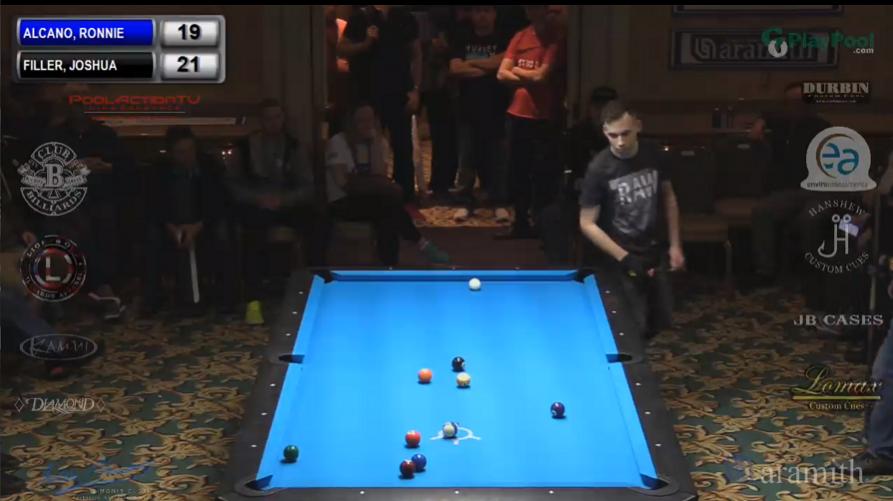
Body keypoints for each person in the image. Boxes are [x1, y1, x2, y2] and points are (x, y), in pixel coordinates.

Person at [578, 100, 685, 355]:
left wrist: (675, 245)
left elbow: (669, 197)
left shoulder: (654, 153)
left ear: (638, 126)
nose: (620, 142)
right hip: (620, 253)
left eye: (625, 133)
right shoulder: (599, 168)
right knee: (631, 326)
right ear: (605, 132)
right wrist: (624, 258)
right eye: (612, 135)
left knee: (661, 319)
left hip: (654, 248)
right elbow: (586, 223)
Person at [229, 99, 327, 325]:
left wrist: (284, 200)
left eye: (277, 117)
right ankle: (253, 300)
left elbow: (307, 186)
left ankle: (316, 289)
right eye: (268, 118)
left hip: (287, 204)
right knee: (251, 233)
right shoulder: (244, 148)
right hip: (256, 205)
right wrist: (258, 198)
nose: (273, 122)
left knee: (317, 222)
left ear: (283, 119)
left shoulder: (294, 147)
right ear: (260, 121)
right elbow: (233, 184)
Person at [325, 103, 450, 266]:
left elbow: (380, 176)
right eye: (361, 121)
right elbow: (342, 183)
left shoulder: (379, 143)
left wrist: (374, 145)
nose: (366, 125)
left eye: (370, 120)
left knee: (387, 214)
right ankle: (419, 245)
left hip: (371, 199)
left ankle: (390, 264)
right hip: (342, 201)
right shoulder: (338, 142)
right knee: (389, 206)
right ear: (351, 123)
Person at [143, 126, 236, 316]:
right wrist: (171, 227)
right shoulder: (159, 170)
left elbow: (220, 202)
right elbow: (153, 204)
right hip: (171, 223)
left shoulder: (210, 167)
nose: (187, 156)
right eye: (181, 152)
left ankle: (226, 296)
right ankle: (152, 298)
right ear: (171, 153)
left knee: (223, 233)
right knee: (152, 237)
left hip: (204, 222)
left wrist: (198, 226)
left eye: (190, 150)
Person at [747, 82, 831, 287]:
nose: (795, 106)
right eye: (790, 102)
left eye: (799, 101)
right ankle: (765, 271)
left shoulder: (822, 127)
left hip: (818, 191)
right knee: (761, 211)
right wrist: (760, 121)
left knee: (810, 219)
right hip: (789, 191)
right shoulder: (780, 123)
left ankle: (813, 273)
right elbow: (766, 116)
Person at [339, 5, 422, 203]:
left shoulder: (405, 17)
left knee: (402, 145)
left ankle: (404, 194)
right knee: (367, 144)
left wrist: (415, 89)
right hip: (367, 92)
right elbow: (342, 49)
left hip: (399, 90)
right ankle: (369, 192)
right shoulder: (360, 17)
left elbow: (416, 54)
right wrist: (365, 44)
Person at [496, 5, 565, 239]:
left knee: (543, 172)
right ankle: (520, 222)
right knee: (517, 171)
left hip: (545, 116)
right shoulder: (521, 36)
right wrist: (527, 76)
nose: (535, 12)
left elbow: (541, 76)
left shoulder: (556, 38)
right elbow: (501, 73)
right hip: (517, 114)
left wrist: (517, 71)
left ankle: (542, 223)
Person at [539, 86, 618, 263]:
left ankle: (599, 269)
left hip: (615, 204)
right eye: (597, 106)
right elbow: (566, 170)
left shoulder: (624, 136)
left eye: (607, 107)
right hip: (580, 200)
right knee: (551, 216)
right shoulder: (577, 135)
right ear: (590, 108)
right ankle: (561, 270)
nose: (601, 112)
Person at [449, 5, 511, 224]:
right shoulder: (462, 38)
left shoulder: (504, 38)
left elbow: (502, 63)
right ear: (472, 14)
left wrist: (471, 63)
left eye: (487, 10)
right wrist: (488, 68)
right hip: (467, 108)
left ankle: (499, 202)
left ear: (494, 13)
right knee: (466, 160)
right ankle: (463, 202)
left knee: (498, 160)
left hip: (497, 107)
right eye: (477, 11)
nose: (482, 15)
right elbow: (455, 69)